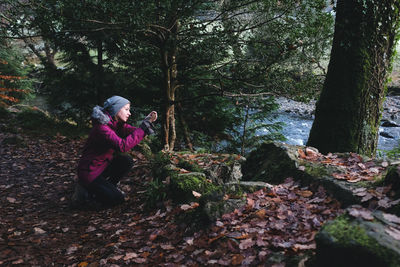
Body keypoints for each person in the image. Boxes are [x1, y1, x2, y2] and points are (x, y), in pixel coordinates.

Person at [71, 95, 157, 208]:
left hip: (101, 167)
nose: (129, 113)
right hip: (90, 173)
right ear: (116, 109)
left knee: (126, 160)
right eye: (126, 109)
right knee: (117, 199)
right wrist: (143, 128)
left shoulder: (113, 123)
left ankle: (108, 187)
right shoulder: (102, 128)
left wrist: (145, 124)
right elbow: (122, 146)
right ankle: (85, 197)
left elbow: (131, 131)